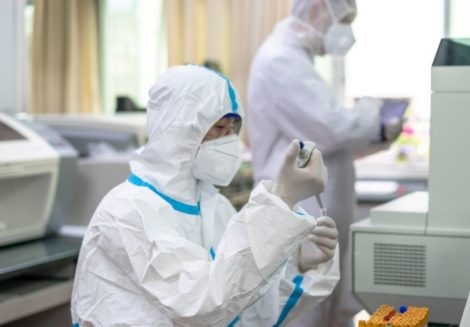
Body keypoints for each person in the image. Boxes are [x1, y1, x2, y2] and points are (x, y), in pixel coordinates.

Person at [71, 65, 341, 326]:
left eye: (234, 128)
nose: (229, 140)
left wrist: (295, 263)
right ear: (178, 130)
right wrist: (280, 203)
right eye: (218, 127)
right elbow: (201, 304)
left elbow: (246, 308)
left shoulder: (215, 207)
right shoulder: (127, 212)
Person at [247, 0, 403, 326]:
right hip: (300, 213)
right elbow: (331, 128)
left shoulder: (296, 61)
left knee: (322, 299)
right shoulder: (280, 60)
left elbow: (332, 142)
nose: (346, 31)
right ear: (318, 10)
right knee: (303, 305)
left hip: (316, 213)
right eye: (343, 20)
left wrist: (378, 130)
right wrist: (374, 116)